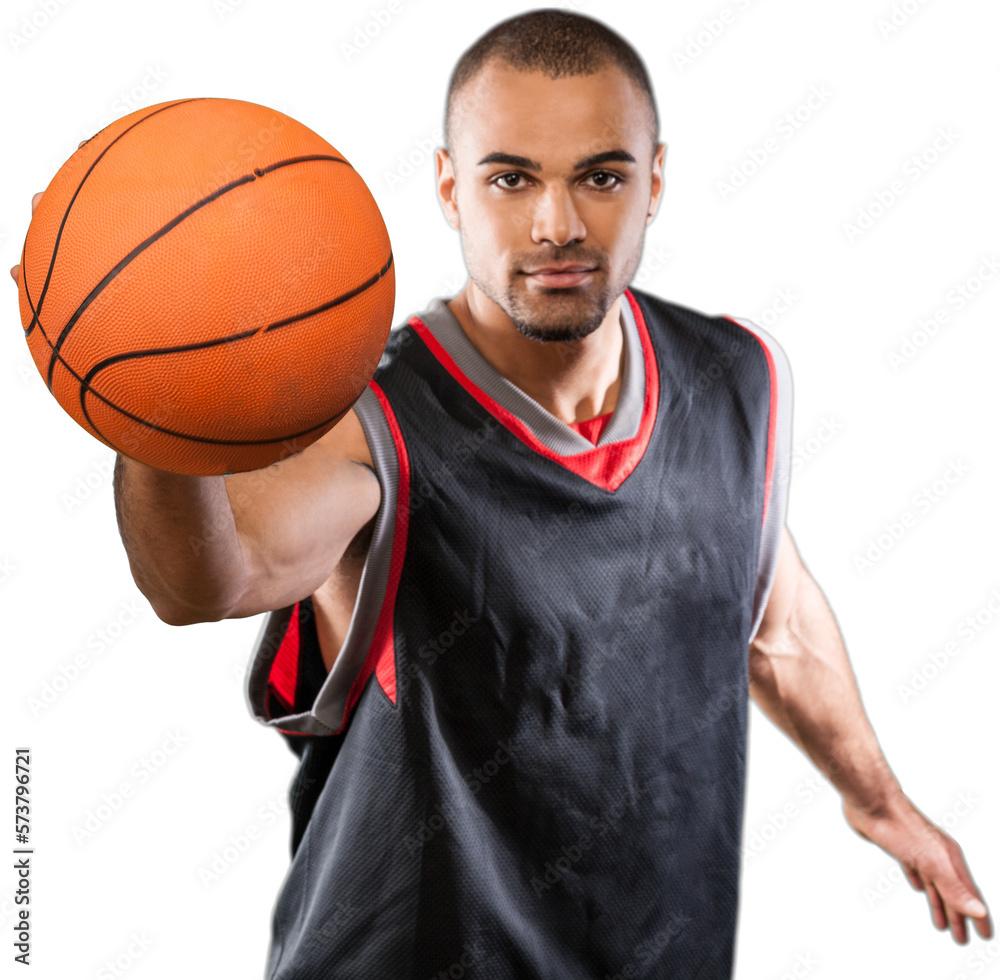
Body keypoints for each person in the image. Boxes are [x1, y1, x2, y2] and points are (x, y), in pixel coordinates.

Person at [12, 9, 992, 978]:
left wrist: (879, 801)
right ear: (449, 186)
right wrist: (152, 404)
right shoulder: (375, 419)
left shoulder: (733, 372)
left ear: (654, 183)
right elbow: (208, 580)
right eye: (510, 177)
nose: (555, 224)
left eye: (600, 176)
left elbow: (771, 617)